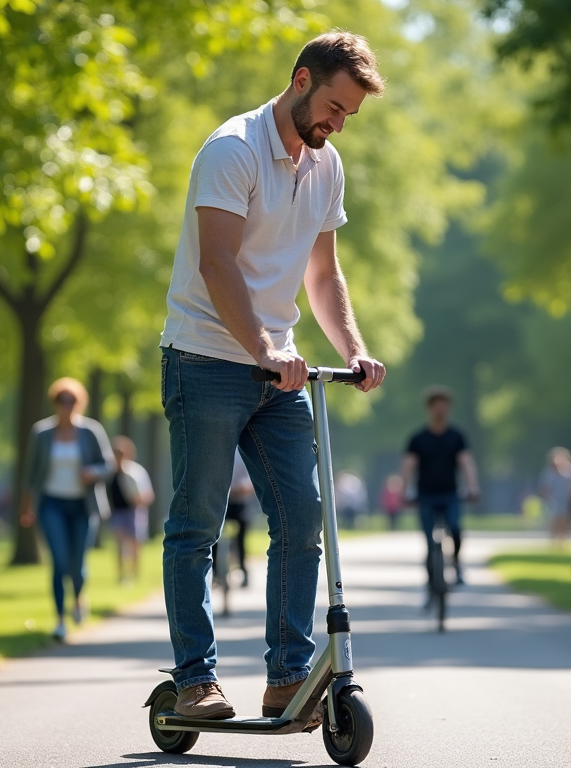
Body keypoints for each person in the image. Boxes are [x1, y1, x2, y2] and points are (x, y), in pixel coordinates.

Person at [157, 31, 387, 720]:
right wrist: (262, 347)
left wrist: (352, 347)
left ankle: (287, 675)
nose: (337, 123)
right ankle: (195, 679)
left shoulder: (326, 166)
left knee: (302, 516)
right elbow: (218, 265)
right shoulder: (231, 149)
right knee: (197, 523)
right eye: (334, 107)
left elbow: (323, 272)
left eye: (348, 115)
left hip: (278, 371)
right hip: (205, 360)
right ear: (300, 80)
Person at [21, 377, 115, 641]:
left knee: (78, 564)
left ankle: (78, 597)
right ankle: (60, 620)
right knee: (59, 561)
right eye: (62, 401)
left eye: (71, 400)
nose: (67, 405)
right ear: (54, 403)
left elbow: (108, 465)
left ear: (79, 402)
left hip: (83, 505)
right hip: (51, 503)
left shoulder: (91, 431)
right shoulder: (41, 433)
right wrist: (27, 506)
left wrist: (92, 472)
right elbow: (30, 473)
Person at [401, 386, 481, 590]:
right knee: (430, 543)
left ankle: (456, 563)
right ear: (429, 409)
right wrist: (404, 491)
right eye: (436, 407)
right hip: (425, 495)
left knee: (455, 528)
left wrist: (472, 487)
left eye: (444, 407)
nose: (440, 411)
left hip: (450, 494)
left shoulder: (456, 437)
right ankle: (432, 586)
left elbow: (467, 463)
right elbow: (408, 467)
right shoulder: (418, 439)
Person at [110, 436, 155, 584]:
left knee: (135, 543)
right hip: (118, 512)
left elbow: (148, 495)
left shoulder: (136, 472)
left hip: (134, 511)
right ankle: (122, 575)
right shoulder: (109, 473)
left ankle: (134, 574)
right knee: (120, 544)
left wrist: (137, 499)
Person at [210, 449, 255, 587]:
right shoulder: (216, 450)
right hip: (220, 500)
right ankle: (215, 573)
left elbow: (253, 479)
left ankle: (243, 570)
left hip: (239, 501)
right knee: (213, 535)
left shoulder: (245, 451)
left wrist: (243, 488)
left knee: (241, 536)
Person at [539, 447, 571, 542]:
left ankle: (564, 538)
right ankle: (554, 538)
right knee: (554, 518)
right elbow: (545, 486)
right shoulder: (549, 471)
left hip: (567, 499)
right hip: (554, 499)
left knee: (565, 518)